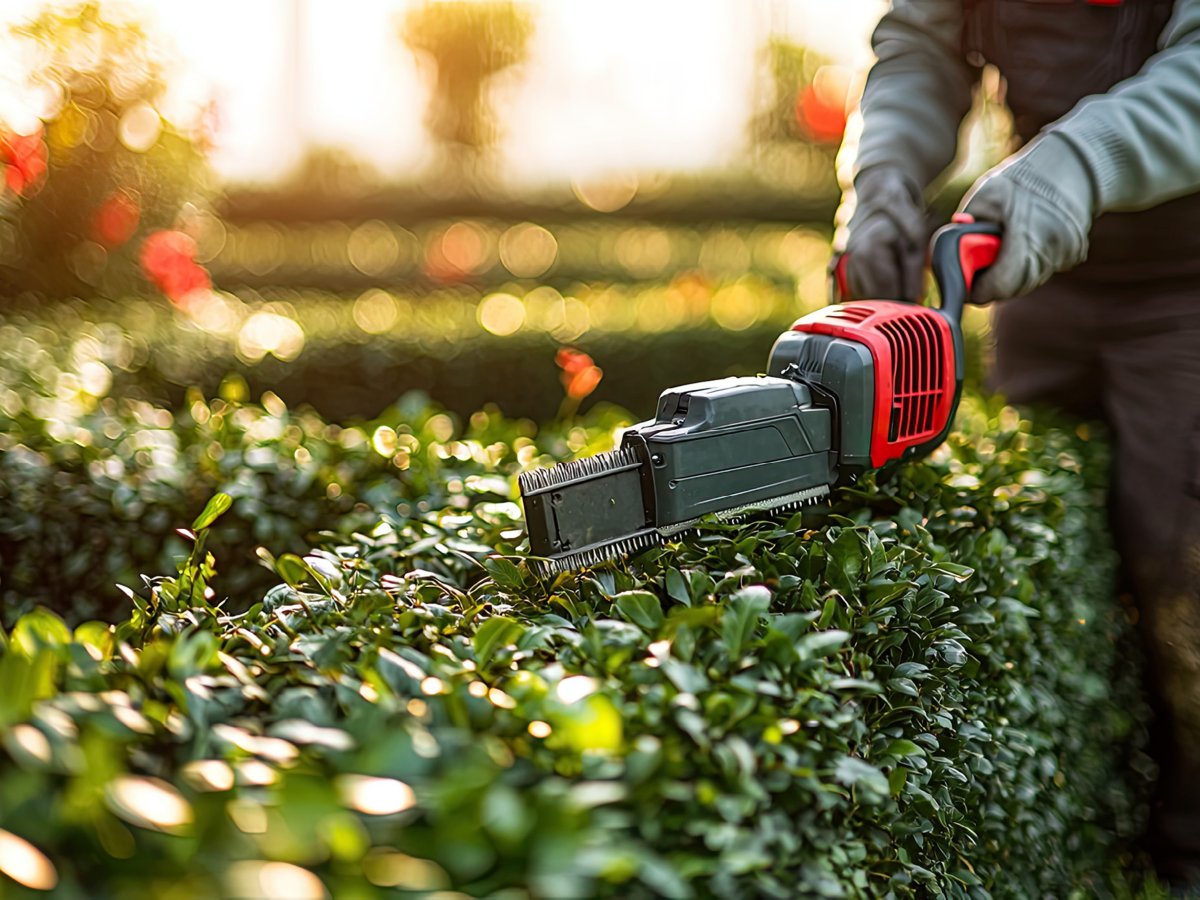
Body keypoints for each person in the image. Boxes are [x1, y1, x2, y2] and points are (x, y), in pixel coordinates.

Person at [835, 0, 1200, 883]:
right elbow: (920, 46)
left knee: (1181, 552)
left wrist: (1071, 167)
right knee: (1053, 540)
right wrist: (880, 178)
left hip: (1186, 282)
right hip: (1040, 268)